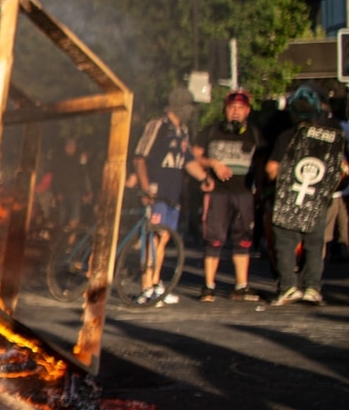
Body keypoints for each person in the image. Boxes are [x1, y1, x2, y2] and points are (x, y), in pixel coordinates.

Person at [266, 87, 349, 306]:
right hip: (317, 203)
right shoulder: (330, 139)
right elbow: (343, 169)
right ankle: (313, 287)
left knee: (285, 245)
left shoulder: (287, 137)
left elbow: (271, 169)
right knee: (314, 245)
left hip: (289, 201)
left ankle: (289, 287)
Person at [187, 90, 262, 302]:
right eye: (231, 108)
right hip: (217, 193)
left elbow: (263, 159)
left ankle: (241, 286)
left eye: (240, 108)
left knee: (243, 240)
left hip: (244, 194)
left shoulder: (254, 134)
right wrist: (213, 164)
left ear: (247, 111)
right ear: (225, 110)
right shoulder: (211, 131)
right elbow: (193, 155)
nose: (235, 112)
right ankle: (208, 286)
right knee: (214, 239)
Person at [129, 88, 193, 307]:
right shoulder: (158, 125)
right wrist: (147, 188)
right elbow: (139, 157)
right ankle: (146, 287)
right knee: (152, 237)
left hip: (172, 194)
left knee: (164, 238)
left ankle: (156, 283)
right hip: (156, 191)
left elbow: (189, 161)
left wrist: (205, 178)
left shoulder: (183, 131)